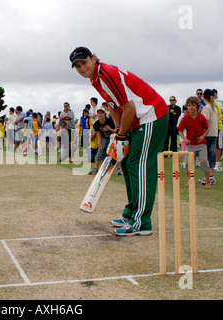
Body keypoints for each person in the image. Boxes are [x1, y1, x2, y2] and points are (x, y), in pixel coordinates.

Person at [70, 46, 169, 236]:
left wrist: (122, 136)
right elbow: (116, 109)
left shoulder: (107, 74)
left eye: (84, 62)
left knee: (138, 165)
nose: (82, 68)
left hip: (151, 115)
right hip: (136, 121)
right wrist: (118, 134)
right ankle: (131, 212)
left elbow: (130, 109)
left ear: (93, 58)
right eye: (77, 66)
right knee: (125, 164)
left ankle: (141, 222)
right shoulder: (96, 79)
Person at [177, 97, 211, 189]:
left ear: (197, 106)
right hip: (190, 145)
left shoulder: (201, 117)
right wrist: (184, 139)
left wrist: (203, 136)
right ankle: (190, 180)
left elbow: (207, 129)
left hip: (201, 144)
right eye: (189, 105)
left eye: (193, 105)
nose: (191, 107)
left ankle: (208, 181)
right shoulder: (185, 118)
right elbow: (180, 130)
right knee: (188, 164)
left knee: (204, 161)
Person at [89, 106, 116, 175]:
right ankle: (95, 169)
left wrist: (110, 129)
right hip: (104, 137)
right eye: (98, 113)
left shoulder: (110, 121)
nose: (100, 114)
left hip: (112, 137)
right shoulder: (96, 124)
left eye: (101, 113)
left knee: (113, 152)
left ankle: (116, 169)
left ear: (105, 114)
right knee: (100, 151)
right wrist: (99, 141)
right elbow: (99, 133)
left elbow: (116, 131)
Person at [200, 89, 218, 185]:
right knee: (212, 155)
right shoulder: (214, 107)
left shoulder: (206, 108)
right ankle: (211, 176)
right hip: (214, 133)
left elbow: (205, 123)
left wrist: (202, 135)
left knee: (207, 156)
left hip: (208, 134)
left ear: (204, 97)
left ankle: (209, 177)